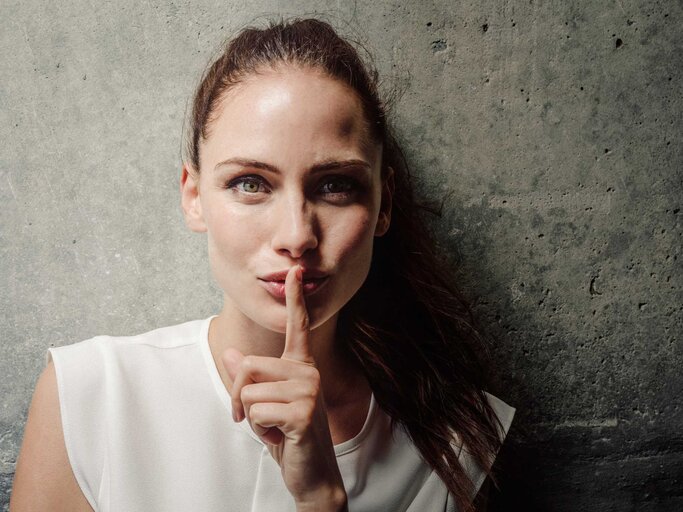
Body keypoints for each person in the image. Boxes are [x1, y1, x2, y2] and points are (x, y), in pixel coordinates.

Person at [10, 17, 514, 512]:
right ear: (194, 197)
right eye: (250, 183)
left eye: (336, 185)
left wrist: (321, 500)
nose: (297, 236)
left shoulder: (455, 443)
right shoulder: (89, 396)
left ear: (383, 205)